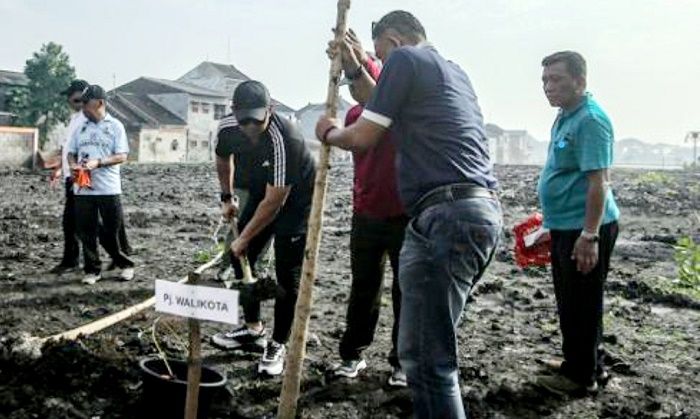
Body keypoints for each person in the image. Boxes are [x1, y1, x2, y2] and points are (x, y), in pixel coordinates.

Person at [317, 10, 502, 418]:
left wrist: (328, 133)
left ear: (395, 42)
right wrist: (353, 66)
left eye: (381, 52)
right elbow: (377, 98)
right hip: (477, 211)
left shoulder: (404, 60)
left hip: (446, 215)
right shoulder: (452, 72)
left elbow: (364, 133)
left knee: (429, 362)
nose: (380, 61)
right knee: (425, 355)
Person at [211, 80, 316, 376]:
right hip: (261, 187)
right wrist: (226, 196)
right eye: (244, 120)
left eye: (257, 121)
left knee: (287, 273)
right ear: (234, 112)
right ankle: (253, 328)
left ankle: (278, 342)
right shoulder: (227, 126)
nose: (250, 127)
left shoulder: (285, 138)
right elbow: (222, 155)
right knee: (239, 257)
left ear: (269, 110)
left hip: (294, 198)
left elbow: (276, 201)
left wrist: (244, 236)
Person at [536, 51, 620, 395]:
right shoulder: (565, 115)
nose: (548, 87)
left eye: (556, 79)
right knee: (572, 299)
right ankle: (585, 361)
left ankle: (579, 377)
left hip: (585, 228)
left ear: (580, 81)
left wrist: (589, 235)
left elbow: (598, 182)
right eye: (544, 80)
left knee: (580, 302)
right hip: (565, 224)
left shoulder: (590, 120)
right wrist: (549, 221)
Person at [326, 41, 407, 387]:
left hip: (405, 213)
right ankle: (353, 354)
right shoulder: (355, 116)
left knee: (406, 291)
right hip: (367, 212)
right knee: (363, 288)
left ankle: (403, 362)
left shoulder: (399, 112)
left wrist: (355, 60)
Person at [50, 80, 133, 275]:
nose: (73, 103)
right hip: (78, 178)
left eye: (78, 99)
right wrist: (63, 168)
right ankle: (93, 262)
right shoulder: (78, 121)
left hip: (102, 181)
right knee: (79, 222)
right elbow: (70, 150)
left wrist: (96, 163)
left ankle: (118, 257)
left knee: (105, 224)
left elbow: (121, 154)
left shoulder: (109, 124)